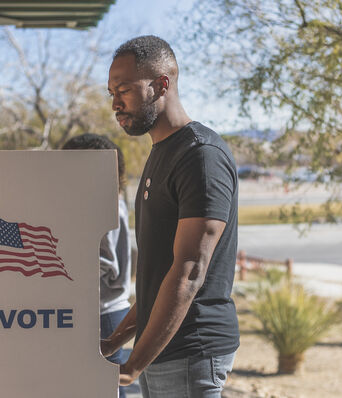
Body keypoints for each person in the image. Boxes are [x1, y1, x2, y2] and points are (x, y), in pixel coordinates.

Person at [101, 35, 240, 398]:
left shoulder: (200, 156)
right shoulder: (161, 153)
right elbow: (156, 276)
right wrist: (113, 343)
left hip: (191, 351)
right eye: (112, 92)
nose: (116, 103)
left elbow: (190, 270)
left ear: (162, 85)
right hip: (159, 351)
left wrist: (134, 364)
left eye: (125, 89)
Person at [61, 134, 132, 398]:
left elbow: (105, 263)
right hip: (103, 312)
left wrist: (64, 266)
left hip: (105, 314)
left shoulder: (108, 205)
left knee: (104, 389)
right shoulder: (99, 202)